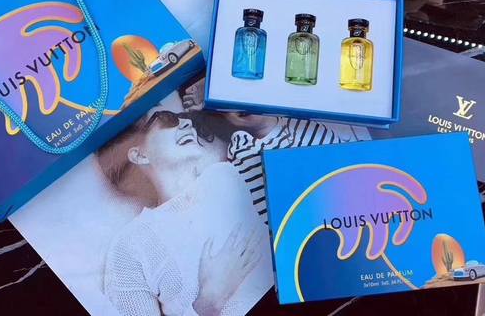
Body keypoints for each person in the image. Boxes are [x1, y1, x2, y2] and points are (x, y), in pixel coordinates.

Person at [97, 94, 272, 316]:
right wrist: (209, 300)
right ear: (139, 154)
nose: (186, 123)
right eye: (167, 118)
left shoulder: (229, 174)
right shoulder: (130, 245)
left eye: (183, 116)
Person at [181, 80, 371, 224]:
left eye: (241, 95)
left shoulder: (294, 113)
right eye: (226, 107)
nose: (237, 105)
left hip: (349, 190)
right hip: (307, 216)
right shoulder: (243, 147)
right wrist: (210, 99)